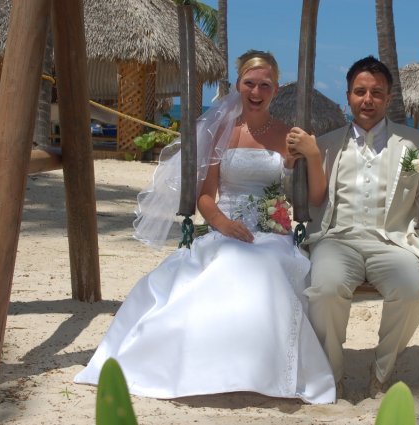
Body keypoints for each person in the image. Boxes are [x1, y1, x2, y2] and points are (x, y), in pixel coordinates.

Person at [74, 50, 336, 404]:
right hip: (226, 228)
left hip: (271, 233)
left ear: (276, 89)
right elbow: (206, 197)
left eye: (265, 85)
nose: (256, 92)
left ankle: (260, 370)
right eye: (250, 83)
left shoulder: (287, 136)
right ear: (238, 86)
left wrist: (313, 155)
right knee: (223, 266)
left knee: (266, 271)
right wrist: (223, 224)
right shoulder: (221, 133)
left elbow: (315, 197)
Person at [301, 56, 419, 399]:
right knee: (324, 291)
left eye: (376, 93)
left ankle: (381, 375)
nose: (367, 99)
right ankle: (332, 377)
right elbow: (306, 195)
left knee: (413, 291)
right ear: (348, 96)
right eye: (360, 92)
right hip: (337, 239)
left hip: (392, 240)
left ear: (388, 98)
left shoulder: (415, 142)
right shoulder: (326, 144)